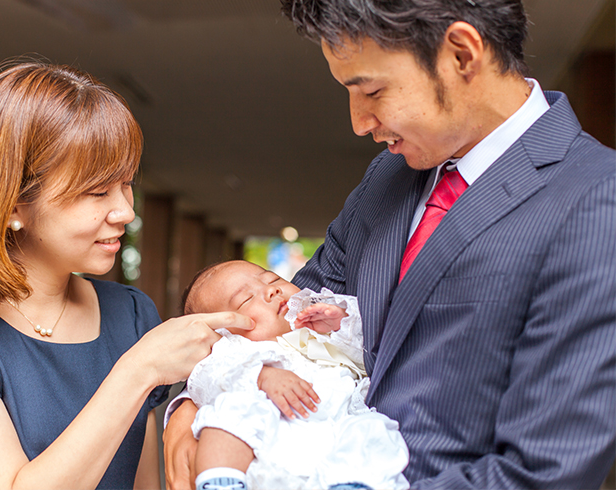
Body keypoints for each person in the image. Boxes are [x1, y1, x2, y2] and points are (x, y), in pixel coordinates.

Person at [163, 1, 616, 489]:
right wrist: (188, 408)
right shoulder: (387, 178)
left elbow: (545, 469)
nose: (359, 122)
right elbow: (282, 329)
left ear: (462, 54)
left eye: (372, 89)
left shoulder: (595, 199)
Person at [0, 61, 253, 490]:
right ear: (13, 204)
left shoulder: (130, 314)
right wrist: (138, 370)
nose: (126, 212)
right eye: (97, 192)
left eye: (127, 184)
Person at [181, 260, 409, 490]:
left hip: (332, 444)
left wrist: (341, 323)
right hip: (270, 447)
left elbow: (374, 351)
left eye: (273, 279)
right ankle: (222, 480)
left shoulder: (324, 332)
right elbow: (205, 377)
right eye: (245, 299)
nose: (272, 290)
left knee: (372, 429)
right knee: (227, 411)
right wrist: (261, 376)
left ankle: (352, 484)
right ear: (223, 330)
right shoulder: (234, 350)